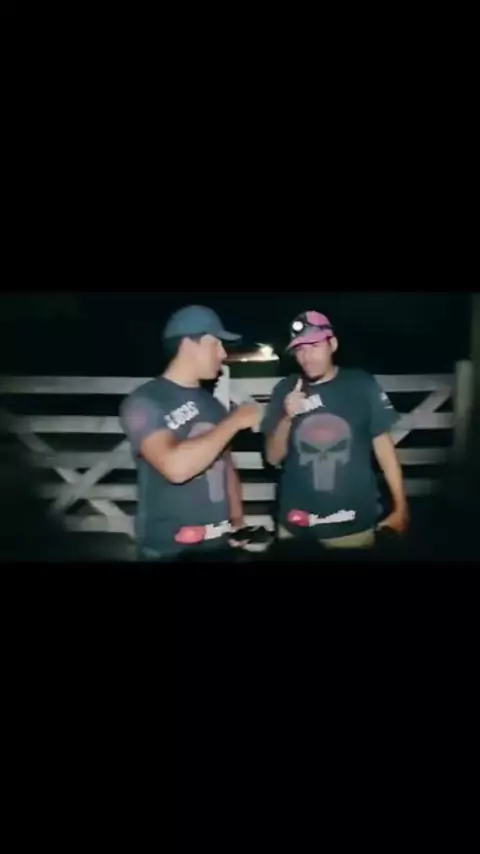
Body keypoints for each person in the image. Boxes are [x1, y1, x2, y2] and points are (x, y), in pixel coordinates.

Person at [119, 305, 260, 561]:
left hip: (219, 548)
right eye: (216, 344)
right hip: (167, 552)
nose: (223, 353)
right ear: (189, 344)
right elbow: (175, 468)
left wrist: (237, 522)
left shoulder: (213, 404)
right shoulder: (144, 401)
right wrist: (234, 421)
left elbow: (226, 467)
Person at [261, 310, 410, 551]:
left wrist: (401, 507)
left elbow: (385, 450)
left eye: (314, 346)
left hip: (354, 529)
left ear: (333, 344)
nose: (306, 357)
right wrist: (288, 417)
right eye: (300, 349)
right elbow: (272, 457)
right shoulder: (284, 389)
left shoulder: (362, 385)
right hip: (296, 530)